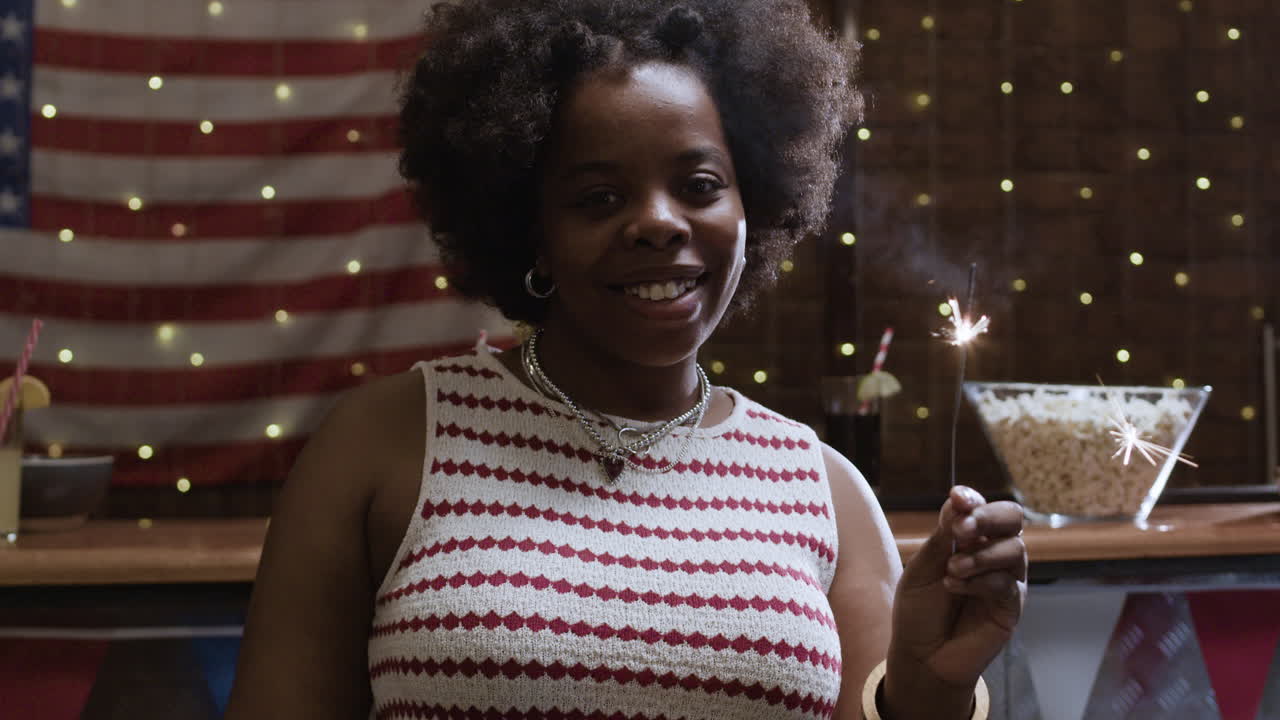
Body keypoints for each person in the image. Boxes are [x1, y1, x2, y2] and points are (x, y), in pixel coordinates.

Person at [225, 1, 1028, 718]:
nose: (659, 224)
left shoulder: (825, 491)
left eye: (701, 184)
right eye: (598, 198)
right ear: (527, 227)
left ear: (756, 203)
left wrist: (929, 690)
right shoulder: (386, 442)